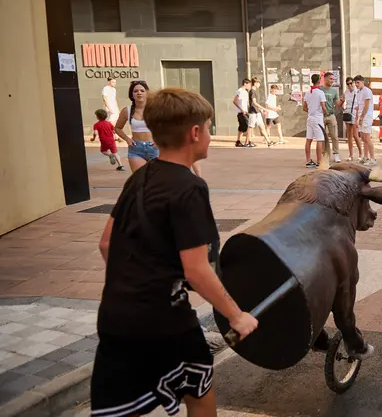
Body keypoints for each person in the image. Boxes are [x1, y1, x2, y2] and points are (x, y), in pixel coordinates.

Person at [91, 87, 259, 417]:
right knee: (198, 389)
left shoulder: (138, 180)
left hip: (115, 315)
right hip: (164, 321)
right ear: (195, 133)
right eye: (209, 128)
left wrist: (132, 284)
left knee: (122, 407)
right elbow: (197, 269)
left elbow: (106, 243)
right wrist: (237, 316)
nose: (210, 136)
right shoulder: (189, 187)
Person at [114, 80, 158, 172]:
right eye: (135, 91)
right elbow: (117, 128)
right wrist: (127, 139)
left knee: (156, 179)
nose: (139, 93)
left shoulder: (156, 109)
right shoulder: (127, 111)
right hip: (136, 149)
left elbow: (169, 126)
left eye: (142, 91)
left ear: (147, 93)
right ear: (132, 94)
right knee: (139, 179)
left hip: (155, 147)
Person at [303, 74, 327, 168]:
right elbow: (323, 107)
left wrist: (311, 111)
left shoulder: (308, 92)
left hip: (310, 118)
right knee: (320, 139)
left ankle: (308, 160)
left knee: (309, 139)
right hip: (318, 118)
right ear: (319, 81)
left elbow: (304, 107)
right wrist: (326, 113)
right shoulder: (320, 93)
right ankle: (319, 161)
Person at [319, 72, 342, 163]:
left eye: (333, 79)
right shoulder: (319, 89)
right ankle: (325, 154)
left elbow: (337, 104)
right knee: (323, 137)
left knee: (335, 136)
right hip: (321, 116)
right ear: (324, 79)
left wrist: (342, 101)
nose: (332, 81)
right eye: (330, 79)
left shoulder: (334, 91)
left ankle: (336, 154)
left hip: (331, 115)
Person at [354, 75, 376, 166]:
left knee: (367, 137)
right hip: (361, 116)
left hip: (367, 116)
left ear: (362, 82)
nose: (356, 84)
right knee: (363, 137)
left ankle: (373, 158)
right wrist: (357, 118)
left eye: (357, 82)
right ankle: (365, 157)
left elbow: (366, 106)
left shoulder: (367, 91)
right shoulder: (359, 92)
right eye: (355, 83)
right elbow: (360, 106)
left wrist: (362, 117)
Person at [342, 77, 363, 162]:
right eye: (348, 84)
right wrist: (341, 104)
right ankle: (351, 154)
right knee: (349, 135)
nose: (350, 85)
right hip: (347, 113)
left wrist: (359, 117)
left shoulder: (357, 92)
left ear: (354, 83)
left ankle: (361, 153)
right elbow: (341, 102)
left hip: (355, 113)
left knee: (355, 134)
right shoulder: (345, 92)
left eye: (351, 83)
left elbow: (361, 104)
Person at [249, 78, 274, 147]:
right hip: (253, 112)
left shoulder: (255, 91)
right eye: (258, 83)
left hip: (257, 112)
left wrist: (261, 110)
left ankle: (268, 142)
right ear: (255, 83)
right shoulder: (252, 91)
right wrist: (264, 109)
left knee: (262, 127)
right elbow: (254, 103)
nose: (259, 84)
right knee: (251, 127)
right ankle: (249, 141)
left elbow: (256, 104)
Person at [233, 79, 252, 147]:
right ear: (245, 84)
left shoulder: (245, 92)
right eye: (249, 84)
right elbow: (235, 101)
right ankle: (247, 142)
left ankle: (238, 141)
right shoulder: (240, 91)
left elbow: (246, 103)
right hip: (242, 112)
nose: (250, 86)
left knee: (241, 127)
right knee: (248, 127)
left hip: (245, 112)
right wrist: (242, 110)